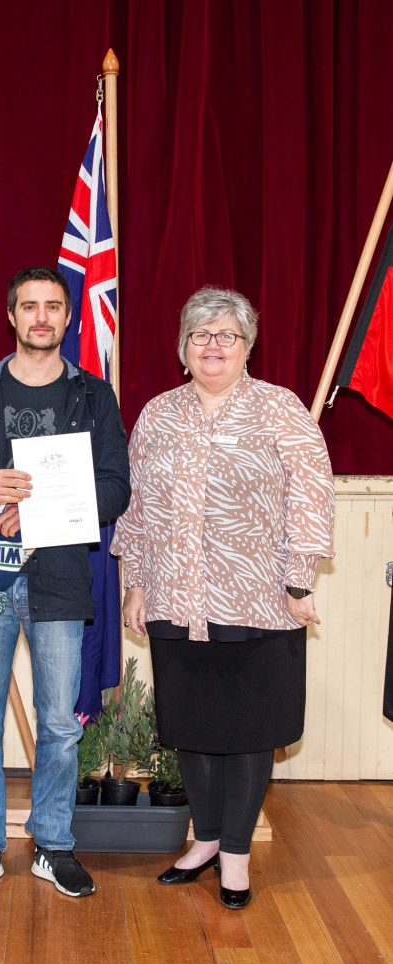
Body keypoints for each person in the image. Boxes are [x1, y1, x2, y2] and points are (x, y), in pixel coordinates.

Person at [112, 286, 334, 909]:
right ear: (183, 348)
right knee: (194, 730)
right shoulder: (158, 415)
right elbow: (139, 508)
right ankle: (205, 840)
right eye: (201, 335)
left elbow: (311, 498)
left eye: (226, 335)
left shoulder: (280, 410)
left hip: (260, 601)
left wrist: (298, 582)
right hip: (175, 601)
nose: (213, 345)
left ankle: (235, 853)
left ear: (246, 347)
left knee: (249, 731)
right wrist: (136, 583)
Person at [0, 266, 130, 899]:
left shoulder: (93, 397)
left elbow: (117, 489)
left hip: (60, 579)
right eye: (29, 307)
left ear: (68, 318)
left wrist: (43, 506)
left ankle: (53, 845)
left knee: (61, 724)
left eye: (54, 307)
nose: (41, 318)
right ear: (11, 316)